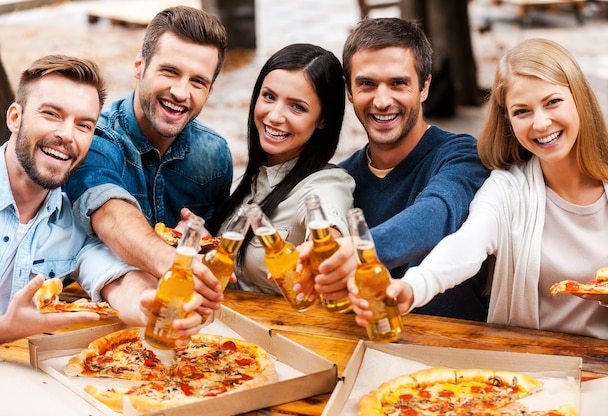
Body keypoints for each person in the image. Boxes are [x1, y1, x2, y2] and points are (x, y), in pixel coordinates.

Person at [349, 38, 608, 342]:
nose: (541, 123)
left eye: (552, 102)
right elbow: (466, 245)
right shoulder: (506, 189)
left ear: (579, 99)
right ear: (507, 120)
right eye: (522, 111)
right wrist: (413, 287)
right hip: (531, 366)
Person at [0, 54, 202, 344]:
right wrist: (5, 330)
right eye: (52, 114)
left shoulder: (73, 220)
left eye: (83, 125)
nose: (66, 135)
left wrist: (151, 305)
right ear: (15, 117)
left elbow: (118, 279)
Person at [305, 17, 491, 321]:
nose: (381, 101)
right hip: (366, 345)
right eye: (366, 84)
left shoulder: (461, 155)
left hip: (459, 351)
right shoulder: (340, 181)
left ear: (424, 87)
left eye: (398, 83)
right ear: (349, 91)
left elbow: (438, 212)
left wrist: (361, 249)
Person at [64, 6, 233, 316]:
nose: (181, 92)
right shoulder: (93, 137)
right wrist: (175, 262)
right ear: (139, 66)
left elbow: (211, 247)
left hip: (181, 319)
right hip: (92, 317)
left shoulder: (216, 156)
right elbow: (111, 217)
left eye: (197, 82)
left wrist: (202, 247)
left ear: (210, 90)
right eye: (169, 71)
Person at [211, 43, 354, 295]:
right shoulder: (250, 183)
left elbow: (327, 225)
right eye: (269, 96)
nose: (275, 116)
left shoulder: (325, 184)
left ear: (323, 119)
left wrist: (323, 252)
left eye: (297, 107)